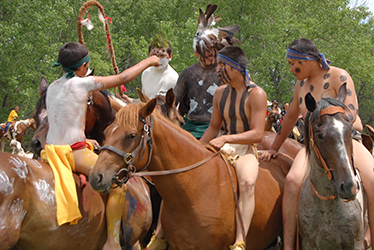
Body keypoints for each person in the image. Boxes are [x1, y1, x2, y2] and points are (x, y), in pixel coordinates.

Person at [259, 38, 374, 250]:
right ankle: (290, 245)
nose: (292, 69)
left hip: (346, 140)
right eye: (290, 64)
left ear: (309, 59)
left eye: (295, 63)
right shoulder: (300, 86)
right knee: (293, 180)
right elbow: (290, 118)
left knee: (373, 179)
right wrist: (274, 148)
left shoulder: (340, 76)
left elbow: (352, 114)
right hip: (314, 145)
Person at [43, 42, 159, 250]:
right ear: (81, 67)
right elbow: (123, 78)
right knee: (117, 183)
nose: (87, 68)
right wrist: (149, 61)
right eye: (86, 65)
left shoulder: (52, 87)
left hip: (50, 150)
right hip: (73, 153)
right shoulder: (81, 84)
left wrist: (87, 140)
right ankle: (112, 242)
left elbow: (62, 121)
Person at [200, 45, 267, 250]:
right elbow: (213, 127)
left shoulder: (257, 94)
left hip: (245, 150)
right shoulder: (220, 93)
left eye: (223, 65)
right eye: (218, 64)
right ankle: (161, 234)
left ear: (237, 68)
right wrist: (198, 147)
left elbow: (257, 134)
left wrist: (227, 139)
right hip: (220, 145)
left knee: (247, 182)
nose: (218, 69)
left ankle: (240, 241)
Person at [122, 34, 178, 103]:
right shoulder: (146, 73)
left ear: (170, 56)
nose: (157, 59)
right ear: (149, 55)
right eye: (154, 55)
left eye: (162, 56)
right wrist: (130, 101)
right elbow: (144, 101)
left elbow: (159, 105)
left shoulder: (172, 77)